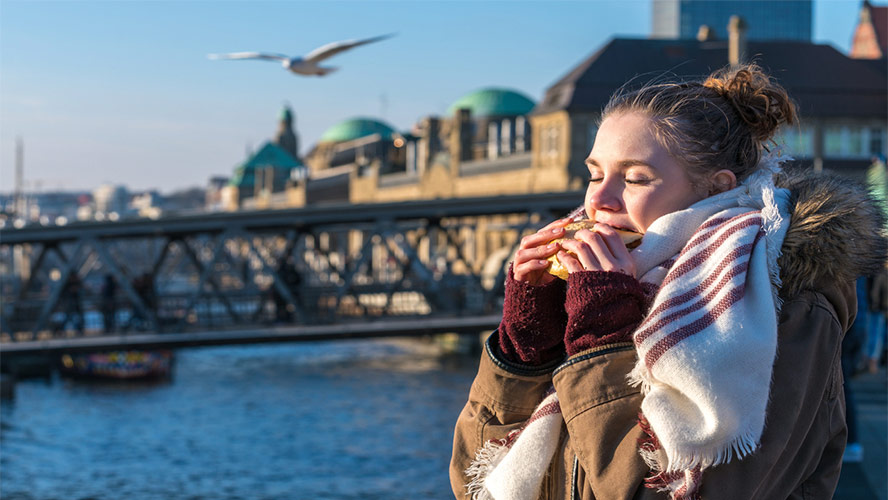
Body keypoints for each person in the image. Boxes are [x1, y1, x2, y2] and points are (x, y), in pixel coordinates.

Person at [450, 63, 888, 500]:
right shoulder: (600, 287)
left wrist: (604, 336)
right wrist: (525, 343)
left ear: (714, 188)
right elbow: (473, 483)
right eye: (595, 174)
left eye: (636, 178)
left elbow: (670, 491)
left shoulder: (781, 304)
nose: (598, 200)